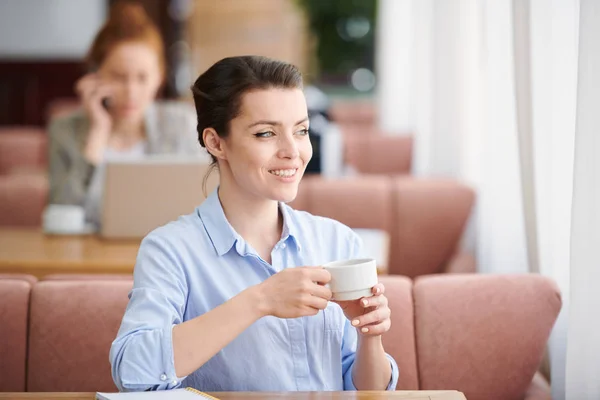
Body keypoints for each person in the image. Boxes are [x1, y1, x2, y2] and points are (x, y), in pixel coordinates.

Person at [110, 55, 399, 392]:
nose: (293, 151)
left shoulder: (338, 242)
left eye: (301, 130)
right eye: (266, 133)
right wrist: (260, 300)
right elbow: (132, 371)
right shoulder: (170, 250)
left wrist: (371, 337)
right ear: (216, 142)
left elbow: (369, 391)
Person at [47, 2, 205, 227]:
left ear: (159, 76)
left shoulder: (182, 123)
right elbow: (60, 218)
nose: (131, 92)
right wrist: (97, 133)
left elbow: (206, 203)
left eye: (142, 78)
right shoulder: (65, 130)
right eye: (118, 77)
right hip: (93, 258)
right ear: (95, 74)